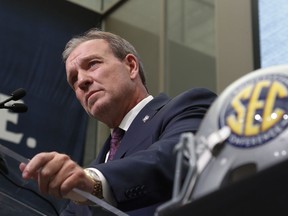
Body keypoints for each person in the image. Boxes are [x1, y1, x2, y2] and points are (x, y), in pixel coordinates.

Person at [19, 28, 217, 216]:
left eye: (93, 64)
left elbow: (177, 158)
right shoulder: (89, 174)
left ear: (131, 66)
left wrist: (94, 181)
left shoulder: (186, 107)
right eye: (74, 79)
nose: (81, 81)